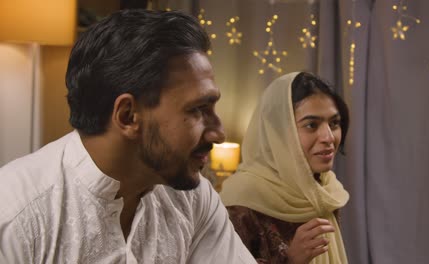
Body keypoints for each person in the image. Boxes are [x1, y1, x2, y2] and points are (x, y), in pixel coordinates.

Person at [0, 9, 256, 263]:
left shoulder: (192, 196)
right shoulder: (16, 216)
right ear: (127, 116)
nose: (219, 133)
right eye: (198, 109)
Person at [220, 72, 350, 264]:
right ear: (279, 132)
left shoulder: (325, 190)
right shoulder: (239, 202)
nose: (329, 137)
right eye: (312, 125)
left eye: (334, 123)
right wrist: (290, 260)